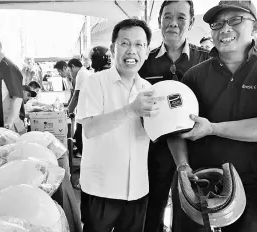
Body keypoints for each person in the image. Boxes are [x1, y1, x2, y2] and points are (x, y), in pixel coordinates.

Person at [168, 1, 257, 231]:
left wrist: (212, 128)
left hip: (252, 187)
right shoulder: (194, 76)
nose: (225, 29)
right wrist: (183, 166)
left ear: (254, 26)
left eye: (235, 20)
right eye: (217, 23)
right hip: (200, 184)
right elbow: (174, 129)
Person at [76, 18, 161, 232]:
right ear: (113, 48)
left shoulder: (149, 88)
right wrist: (130, 110)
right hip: (101, 188)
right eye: (124, 43)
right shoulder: (95, 83)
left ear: (147, 49)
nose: (131, 51)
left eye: (139, 44)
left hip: (138, 189)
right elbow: (90, 129)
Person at [138, 1, 210, 231]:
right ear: (159, 20)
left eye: (181, 17)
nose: (173, 23)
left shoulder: (206, 60)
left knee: (190, 213)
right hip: (154, 153)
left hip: (195, 151)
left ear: (191, 22)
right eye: (167, 16)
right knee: (151, 211)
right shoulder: (144, 62)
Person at [67, 58, 91, 159]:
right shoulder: (84, 72)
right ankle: (80, 151)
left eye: (70, 70)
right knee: (78, 132)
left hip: (88, 108)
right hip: (87, 107)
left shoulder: (81, 74)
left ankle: (82, 153)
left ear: (73, 66)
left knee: (80, 132)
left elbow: (76, 95)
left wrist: (68, 111)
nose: (70, 73)